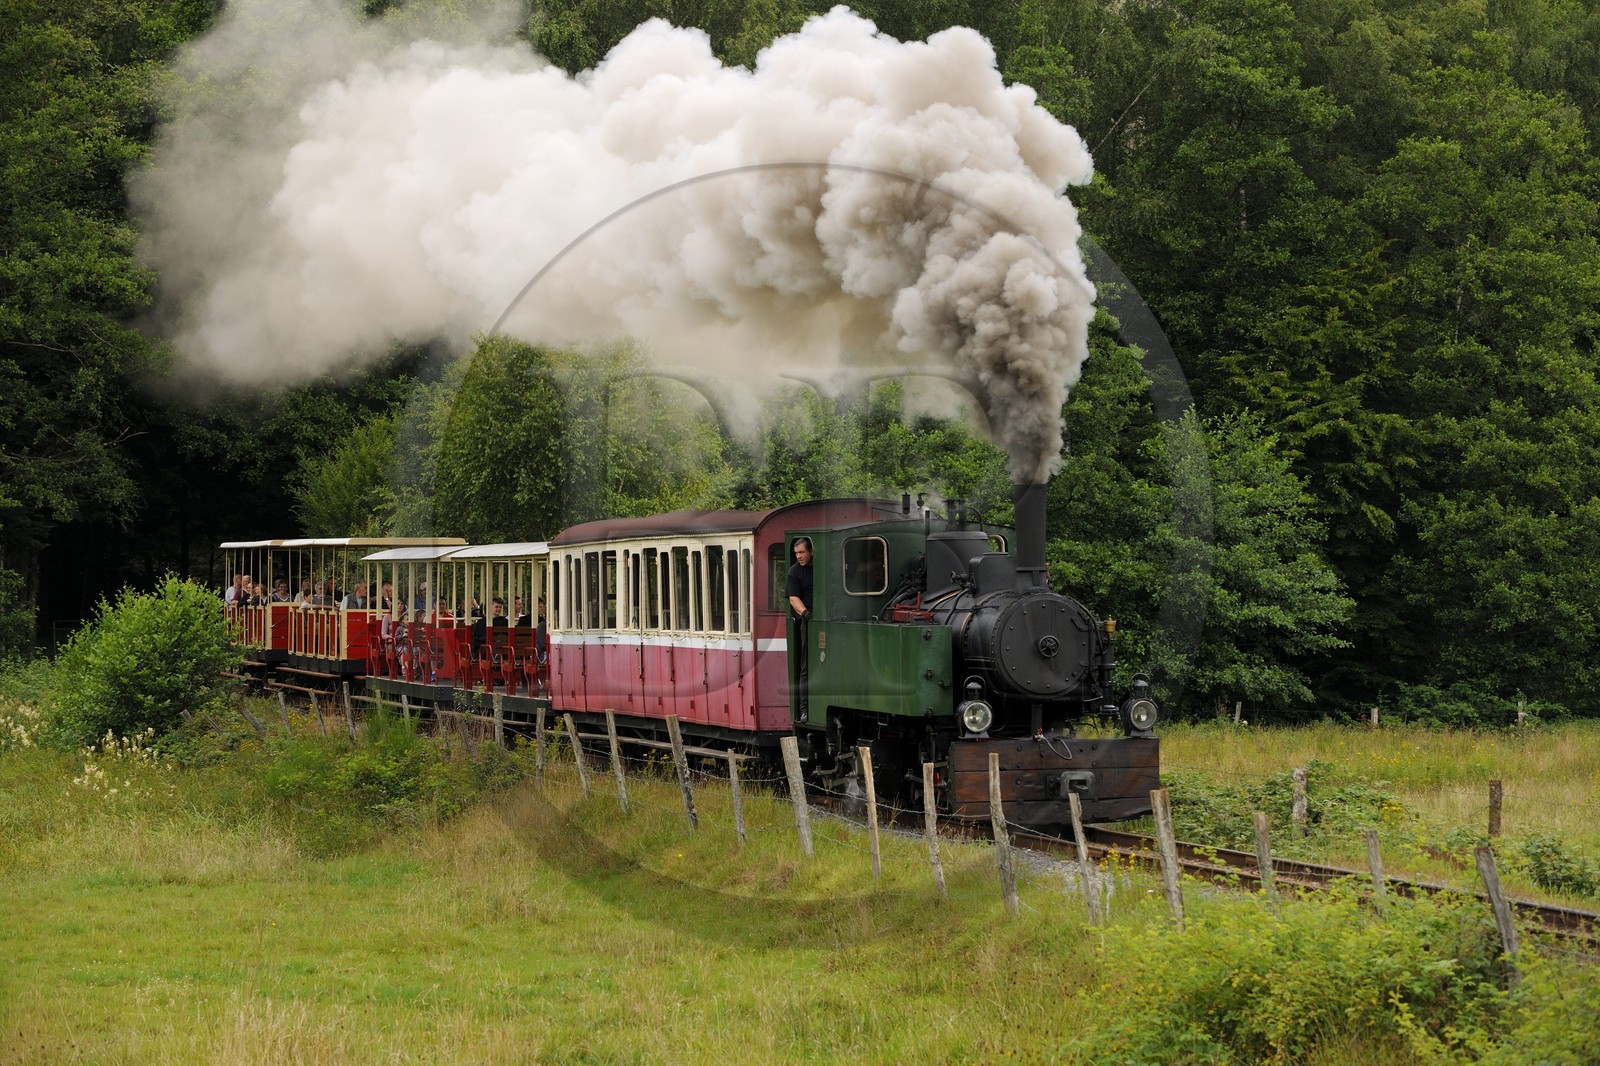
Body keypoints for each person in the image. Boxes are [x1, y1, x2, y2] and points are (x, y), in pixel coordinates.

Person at [785, 537, 814, 718]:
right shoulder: (794, 572)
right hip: (808, 620)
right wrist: (805, 613)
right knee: (806, 665)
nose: (799, 556)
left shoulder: (820, 568)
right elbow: (793, 598)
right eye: (797, 553)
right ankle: (804, 709)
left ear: (811, 552)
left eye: (802, 552)